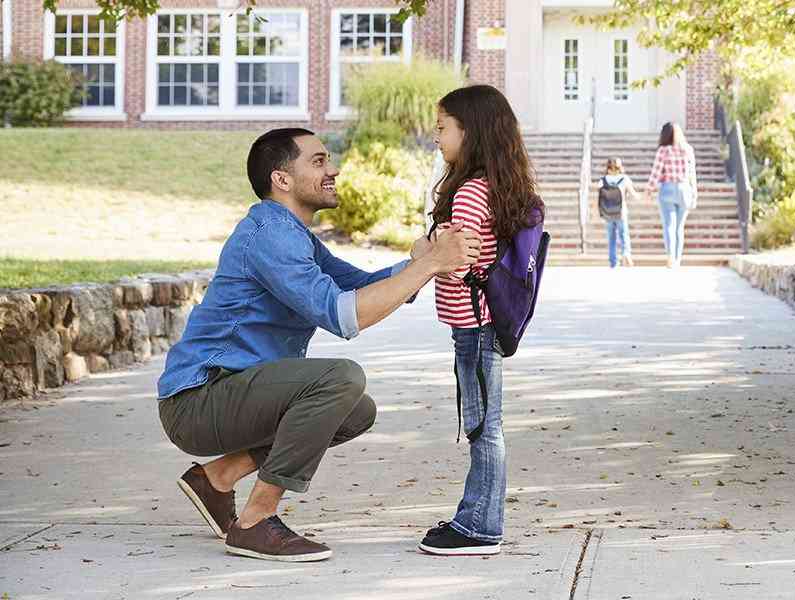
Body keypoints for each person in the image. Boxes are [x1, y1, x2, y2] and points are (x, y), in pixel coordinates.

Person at [156, 128, 481, 562]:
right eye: (318, 161)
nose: (333, 170)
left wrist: (421, 263)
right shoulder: (270, 234)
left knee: (354, 409)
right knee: (340, 378)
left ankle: (217, 478)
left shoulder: (295, 235)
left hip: (233, 393)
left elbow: (358, 287)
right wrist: (431, 265)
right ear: (282, 179)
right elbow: (344, 315)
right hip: (199, 398)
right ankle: (255, 520)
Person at [418, 85, 543, 556]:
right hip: (481, 322)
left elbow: (459, 262)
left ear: (471, 132)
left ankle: (481, 526)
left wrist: (422, 252)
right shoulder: (494, 184)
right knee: (483, 423)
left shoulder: (470, 193)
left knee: (483, 426)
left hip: (474, 325)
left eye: (443, 128)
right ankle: (474, 514)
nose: (437, 138)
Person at [647, 122, 698, 268]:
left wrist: (649, 189)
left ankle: (670, 257)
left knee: (669, 225)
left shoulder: (663, 151)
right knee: (679, 227)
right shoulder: (688, 150)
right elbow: (692, 174)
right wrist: (695, 194)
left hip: (667, 188)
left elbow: (656, 173)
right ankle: (678, 259)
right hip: (684, 188)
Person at [598, 157, 640, 268]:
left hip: (607, 213)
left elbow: (598, 197)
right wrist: (643, 197)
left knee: (611, 238)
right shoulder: (624, 179)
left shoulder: (603, 180)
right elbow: (633, 194)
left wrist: (595, 210)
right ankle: (626, 254)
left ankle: (613, 261)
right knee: (624, 235)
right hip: (621, 212)